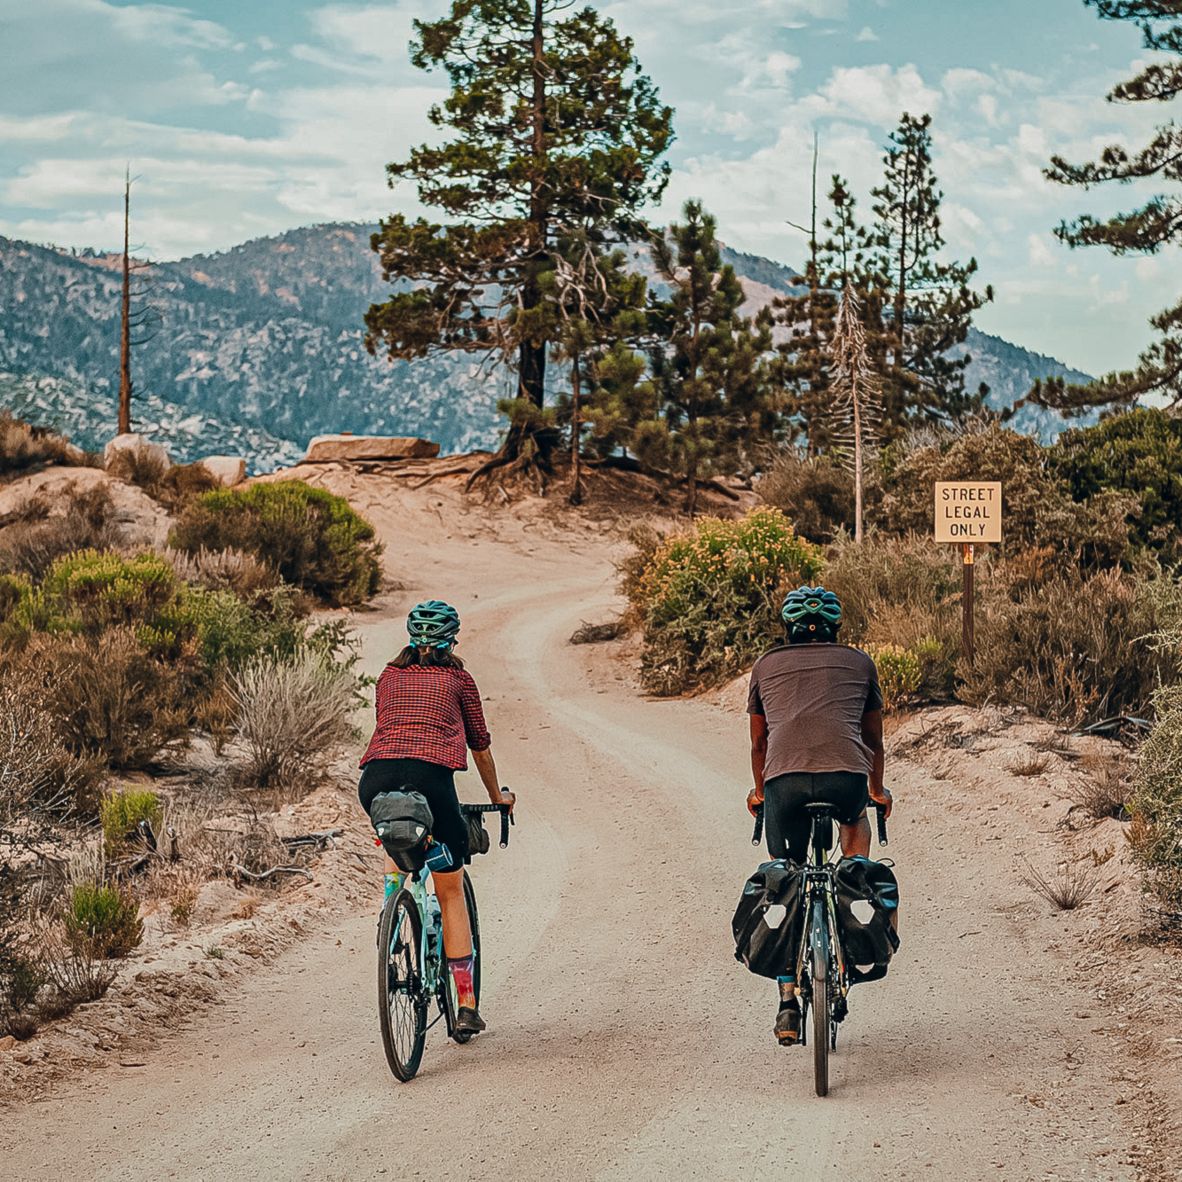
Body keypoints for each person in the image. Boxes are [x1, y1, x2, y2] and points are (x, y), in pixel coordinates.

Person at [359, 600, 514, 1038]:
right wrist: (496, 797)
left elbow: (393, 734)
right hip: (433, 782)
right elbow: (479, 744)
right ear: (452, 639)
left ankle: (391, 909)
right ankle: (466, 1004)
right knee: (449, 890)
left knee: (396, 832)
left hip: (376, 779)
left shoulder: (389, 676)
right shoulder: (458, 680)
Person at [745, 585, 892, 1046]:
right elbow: (872, 742)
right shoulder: (860, 662)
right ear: (836, 627)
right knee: (856, 819)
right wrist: (876, 790)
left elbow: (759, 743)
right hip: (846, 779)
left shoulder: (766, 665)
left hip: (783, 785)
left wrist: (758, 791)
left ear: (787, 628)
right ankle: (853, 878)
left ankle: (788, 1000)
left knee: (786, 874)